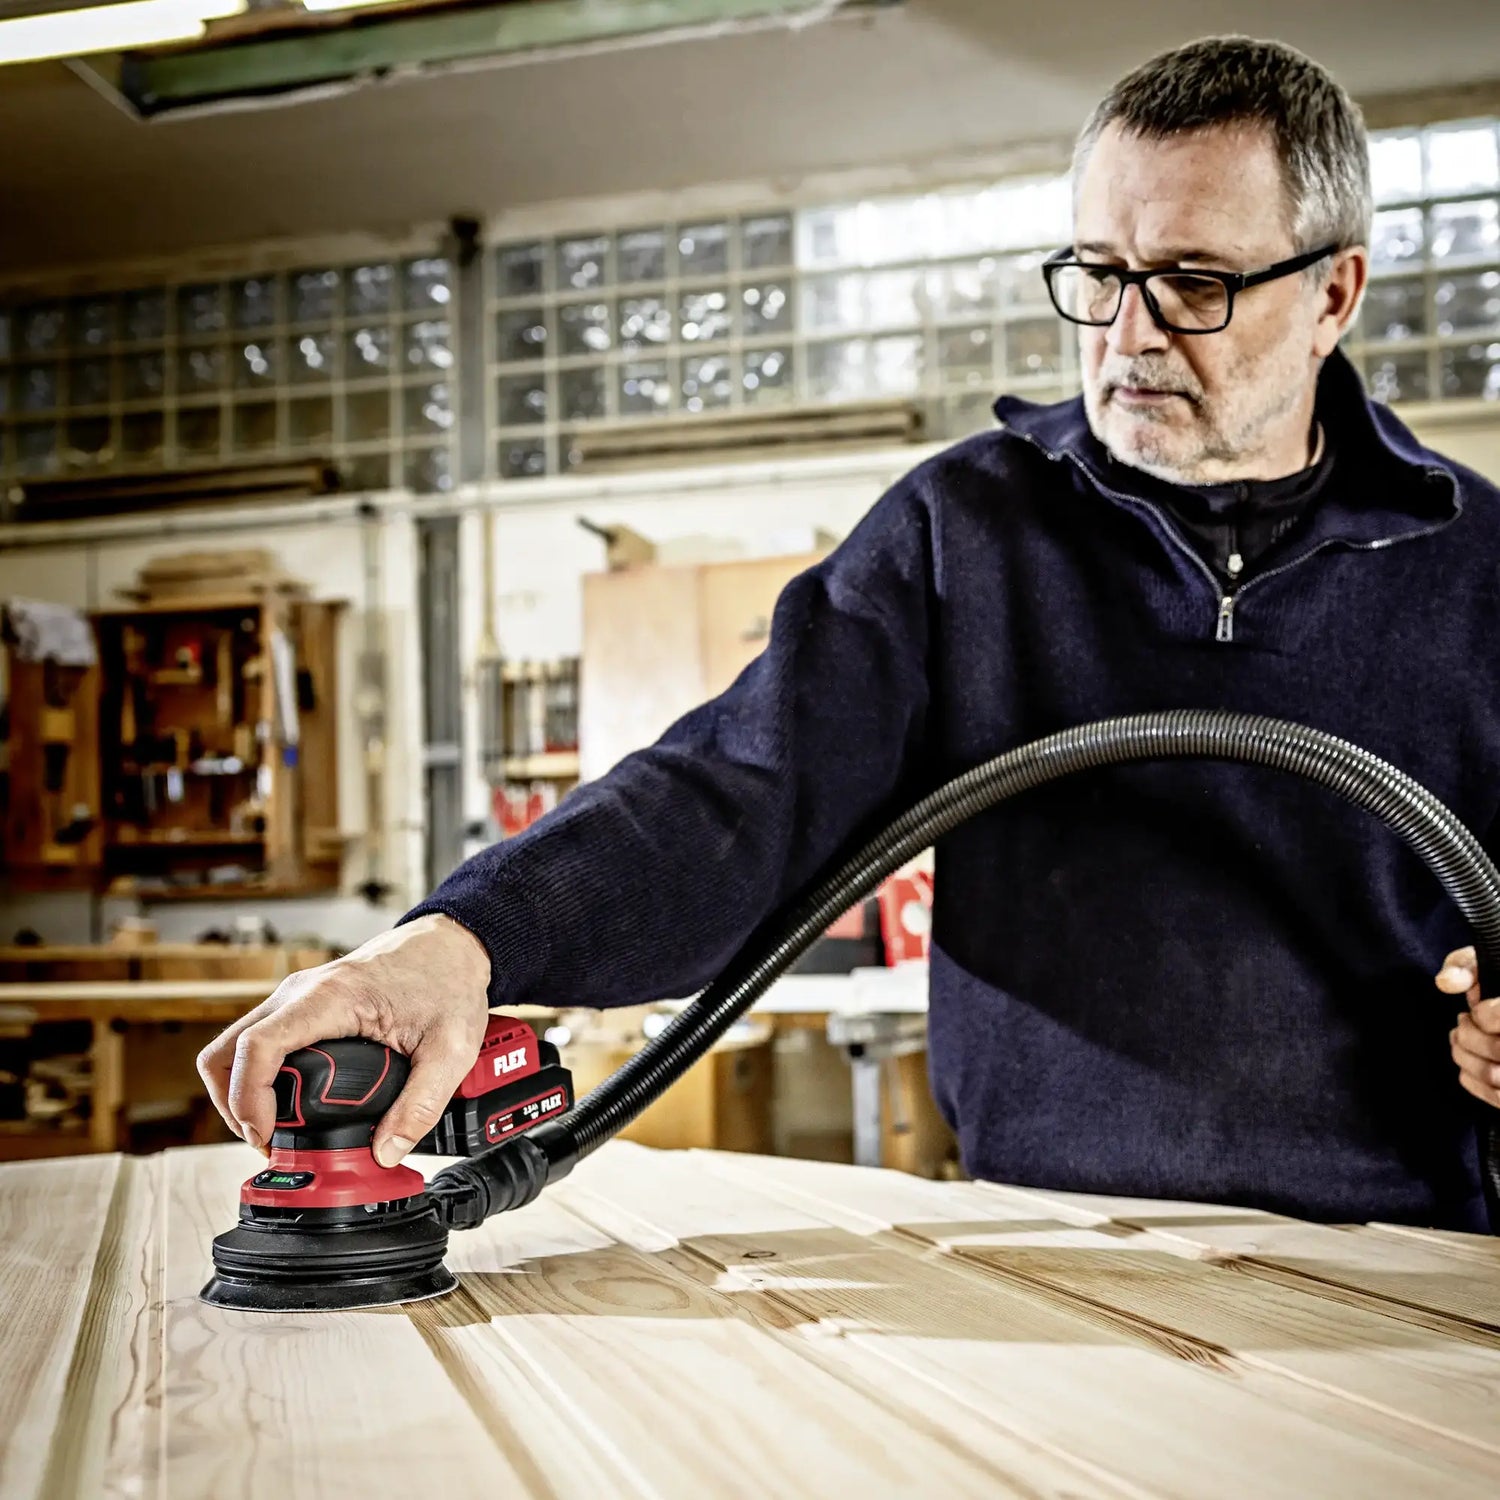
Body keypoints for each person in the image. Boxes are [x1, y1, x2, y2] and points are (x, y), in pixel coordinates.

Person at [200, 35, 1500, 1230]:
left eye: (1193, 283)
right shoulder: (967, 533)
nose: (1127, 336)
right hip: (1057, 1241)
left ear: (1334, 293)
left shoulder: (1479, 570)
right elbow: (738, 793)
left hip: (1405, 1255)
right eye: (1100, 274)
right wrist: (462, 940)